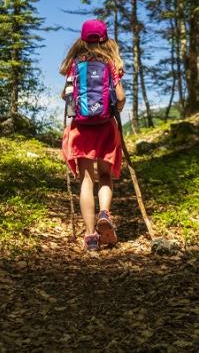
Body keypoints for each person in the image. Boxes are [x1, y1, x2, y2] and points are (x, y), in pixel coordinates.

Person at [60, 19, 127, 251]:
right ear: (104, 39)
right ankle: (105, 213)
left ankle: (90, 237)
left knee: (86, 179)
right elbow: (119, 97)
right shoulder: (110, 63)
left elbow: (65, 96)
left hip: (81, 128)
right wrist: (113, 110)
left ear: (83, 39)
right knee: (105, 176)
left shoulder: (75, 63)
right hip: (105, 127)